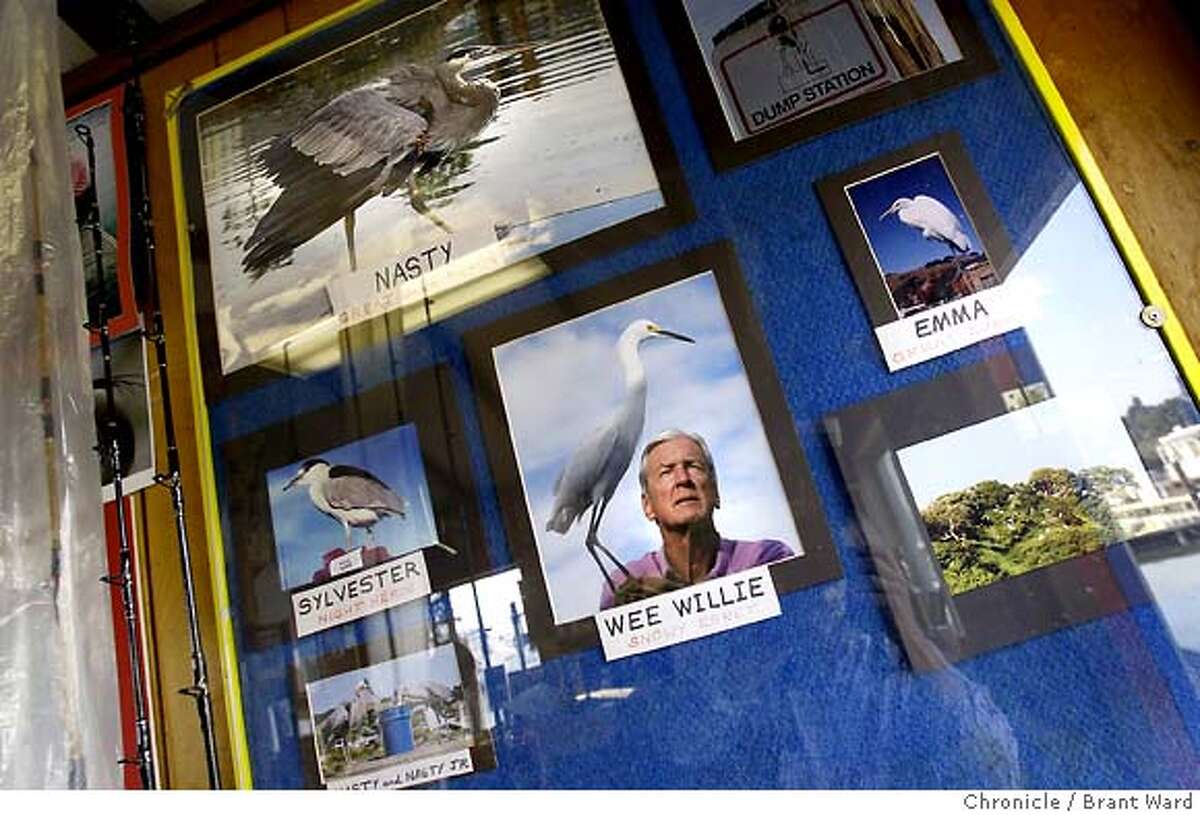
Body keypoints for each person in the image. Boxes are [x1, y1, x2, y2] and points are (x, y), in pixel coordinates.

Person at [599, 429, 794, 609]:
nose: (683, 479)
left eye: (693, 466)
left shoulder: (765, 558)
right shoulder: (623, 585)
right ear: (648, 506)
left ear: (716, 492)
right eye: (666, 472)